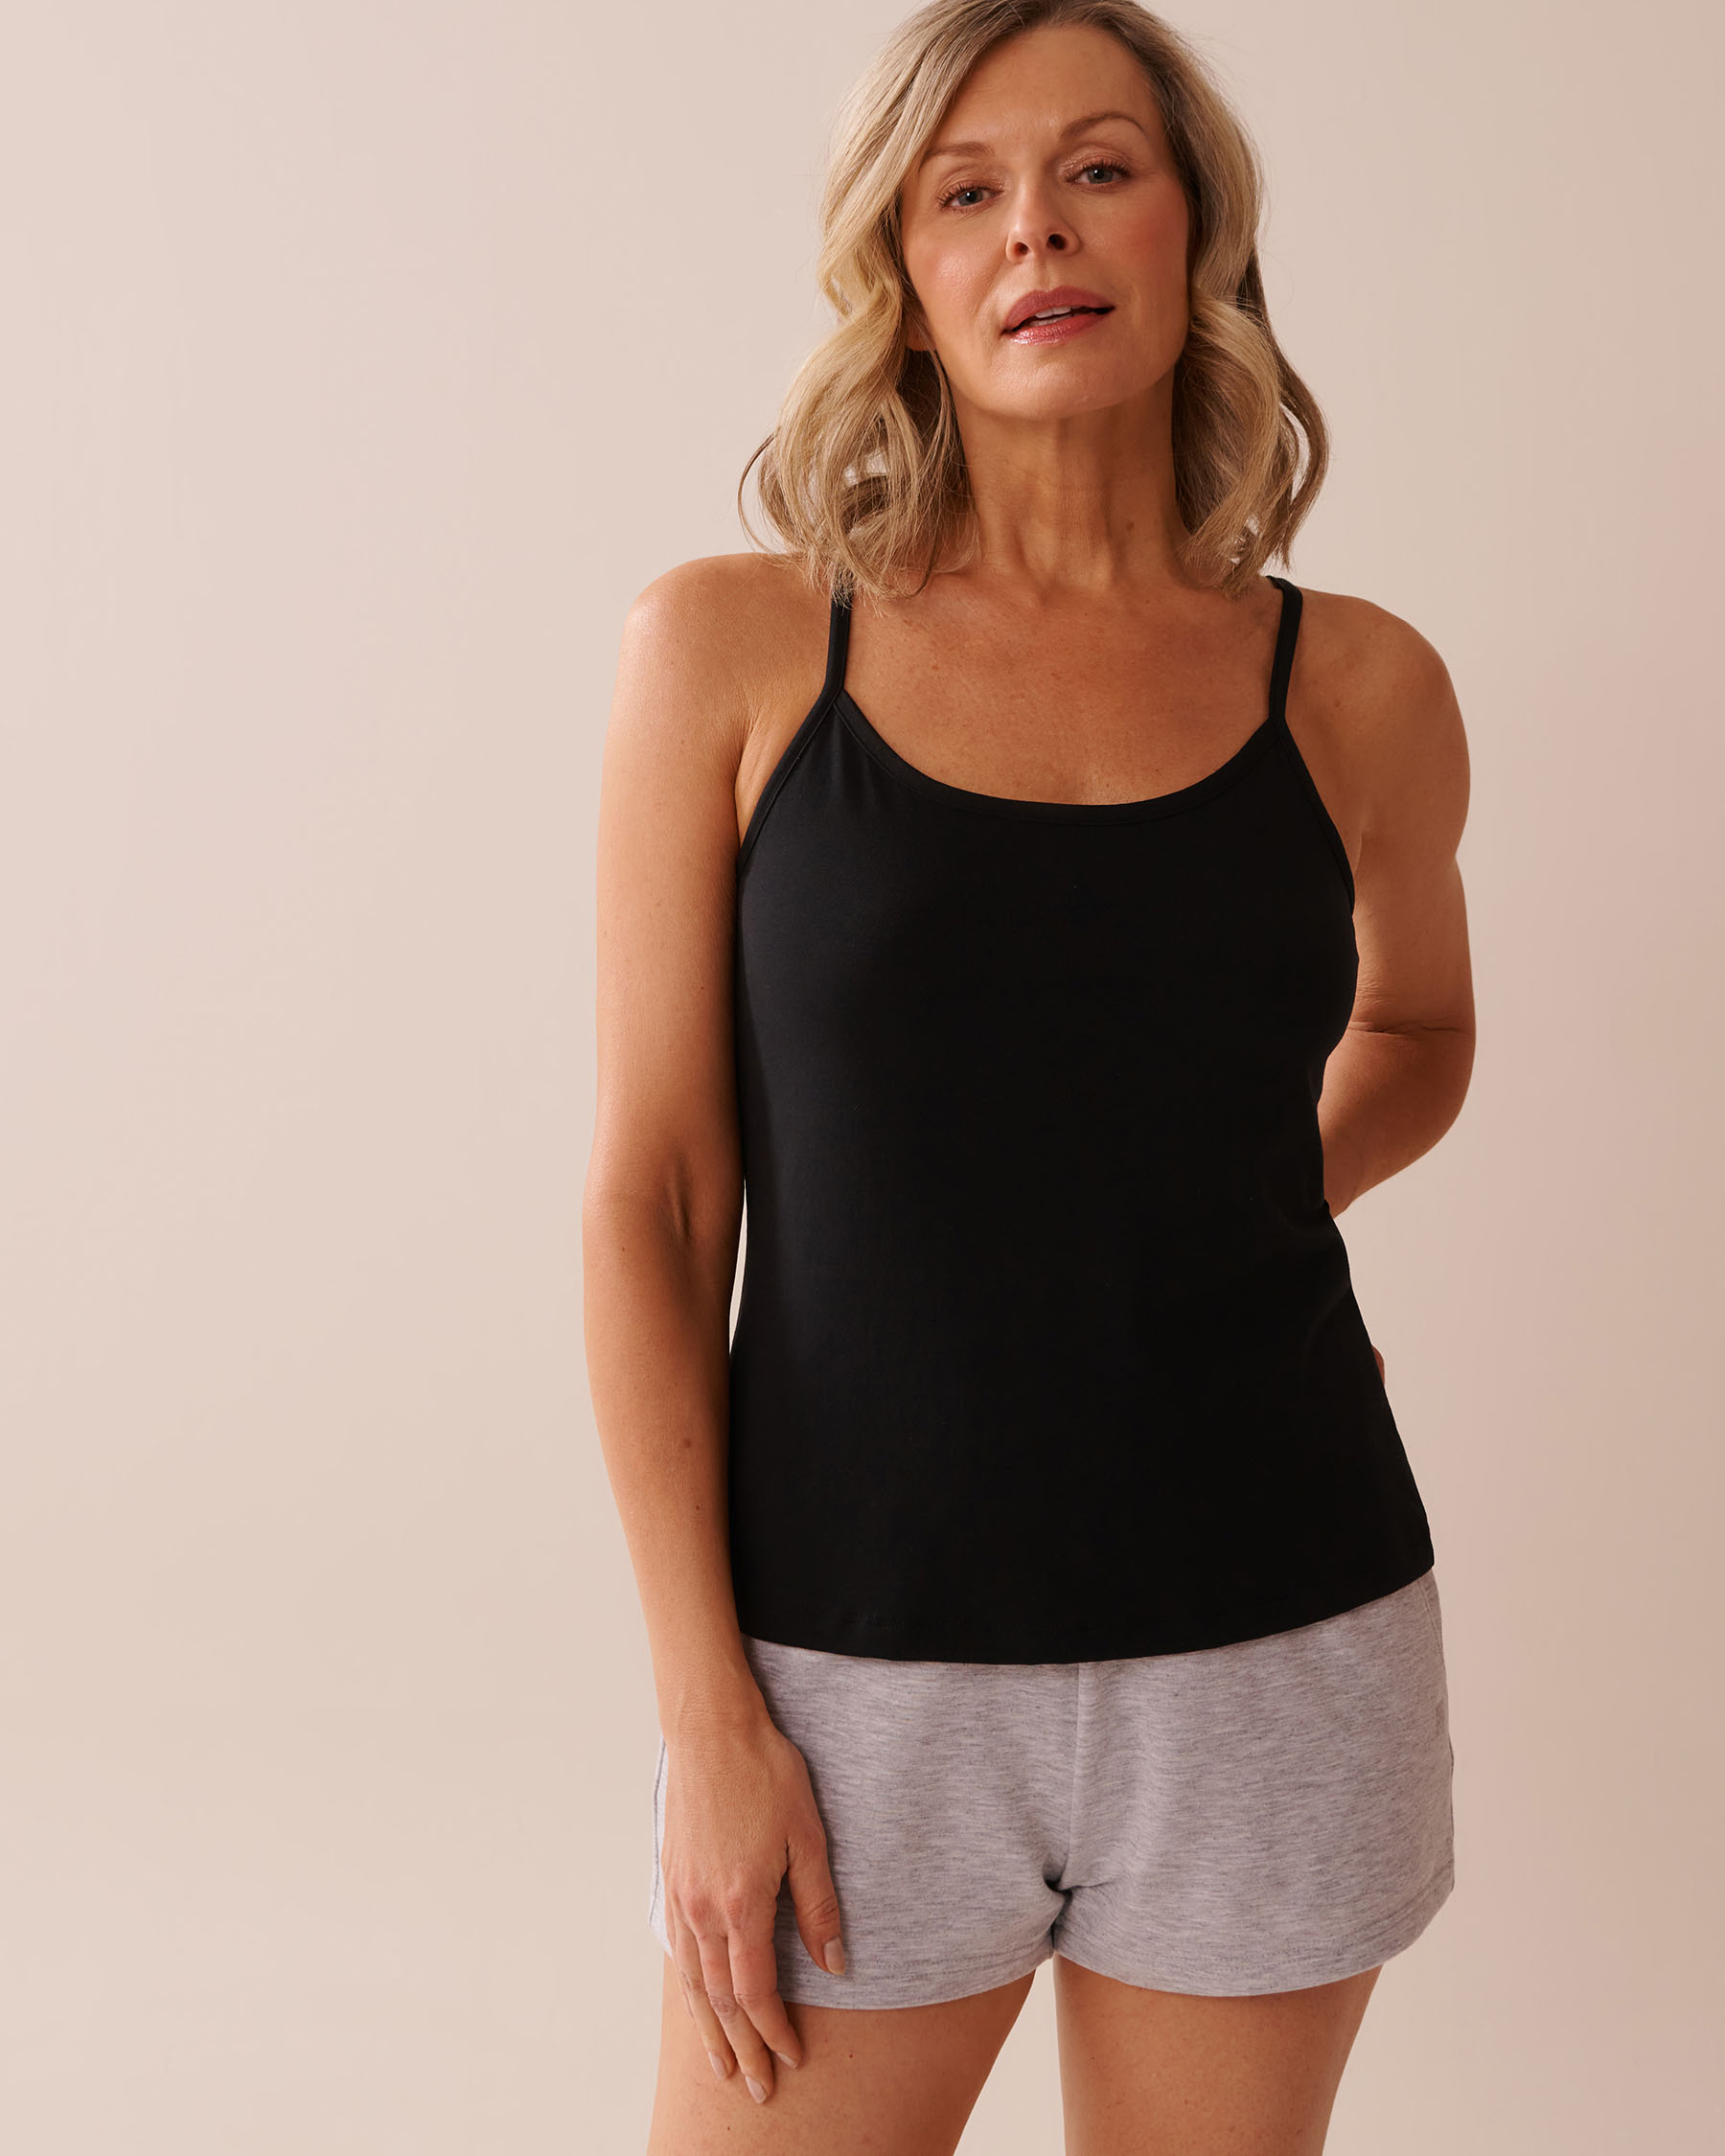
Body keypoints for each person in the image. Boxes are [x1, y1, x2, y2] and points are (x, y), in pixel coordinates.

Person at [583, 1, 1475, 2148]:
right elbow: (657, 1201)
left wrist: (1234, 1198)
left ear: (1193, 231)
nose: (1035, 232)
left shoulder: (1354, 684)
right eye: (963, 191)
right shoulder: (736, 651)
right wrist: (710, 1717)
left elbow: (1423, 1033)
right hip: (844, 1679)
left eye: (1097, 170)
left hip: (1281, 1645)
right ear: (903, 273)